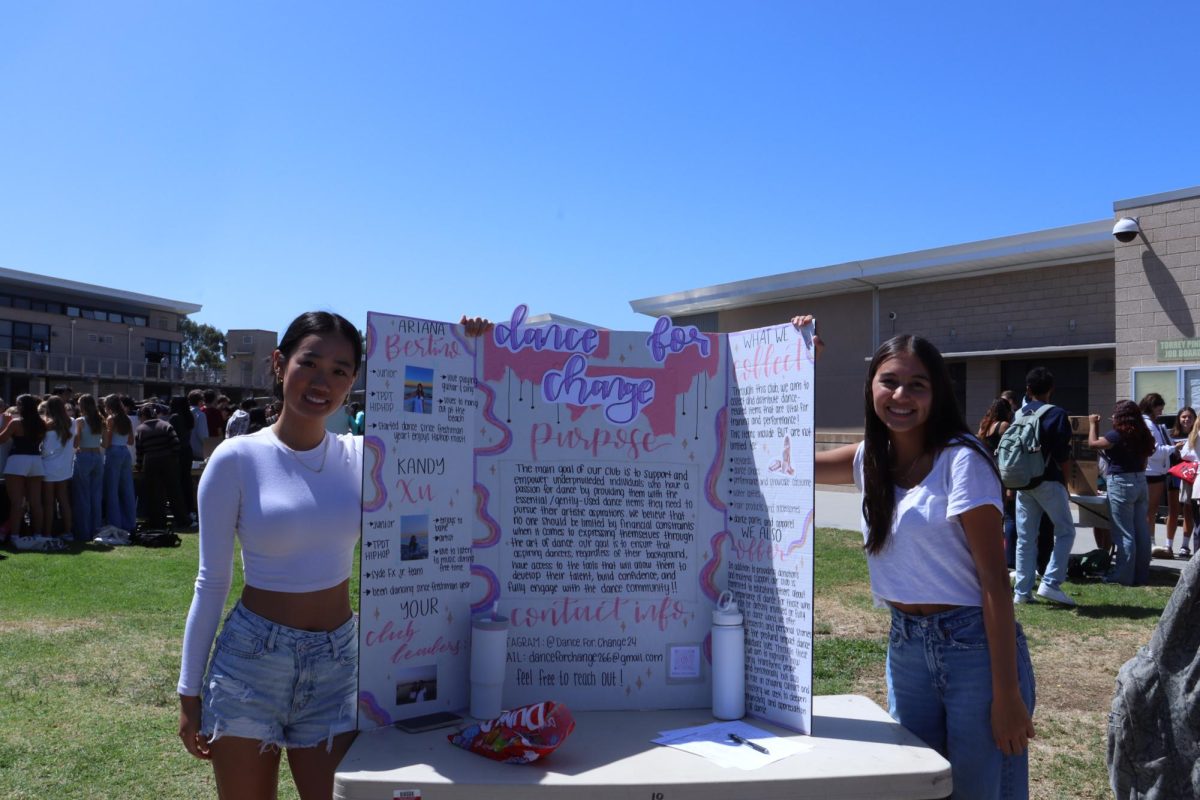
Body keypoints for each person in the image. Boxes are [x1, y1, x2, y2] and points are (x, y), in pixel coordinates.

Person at [804, 320, 1036, 798]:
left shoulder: (962, 461)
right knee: (918, 785)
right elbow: (784, 459)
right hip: (906, 647)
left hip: (973, 648)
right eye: (889, 381)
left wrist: (1008, 695)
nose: (901, 395)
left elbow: (994, 583)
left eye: (917, 384)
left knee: (978, 788)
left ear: (937, 393)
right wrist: (798, 365)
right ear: (871, 387)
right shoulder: (869, 457)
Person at [176, 311, 367, 799]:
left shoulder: (363, 457)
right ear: (280, 364)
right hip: (250, 664)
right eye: (310, 362)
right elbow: (211, 582)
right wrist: (188, 691)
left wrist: (471, 346)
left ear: (353, 382)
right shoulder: (237, 459)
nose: (322, 381)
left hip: (339, 664)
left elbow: (458, 439)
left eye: (340, 370)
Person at [1012, 367, 1078, 607]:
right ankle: (1050, 582)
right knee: (1066, 531)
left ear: (1028, 390)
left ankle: (1021, 591)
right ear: (1051, 389)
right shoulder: (1057, 414)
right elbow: (1063, 454)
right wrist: (1067, 483)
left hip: (1022, 482)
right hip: (1048, 480)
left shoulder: (1018, 413)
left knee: (1026, 538)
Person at [1088, 402, 1156, 586]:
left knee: (1124, 532)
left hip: (1121, 482)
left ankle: (1122, 576)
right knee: (1141, 531)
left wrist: (1093, 424)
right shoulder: (1144, 434)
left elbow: (1093, 444)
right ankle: (1141, 575)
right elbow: (1145, 460)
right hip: (1140, 481)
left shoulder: (1116, 435)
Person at [0, 394, 48, 543]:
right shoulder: (42, 423)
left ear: (21, 406)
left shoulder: (15, 422)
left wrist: (5, 423)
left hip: (17, 461)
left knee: (16, 502)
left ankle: (14, 536)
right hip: (36, 461)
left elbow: (1, 439)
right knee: (36, 502)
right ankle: (38, 535)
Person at [978, 398, 1017, 568]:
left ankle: (990, 555)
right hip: (1000, 473)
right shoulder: (1003, 426)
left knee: (993, 517)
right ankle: (1008, 559)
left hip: (985, 473)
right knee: (1009, 517)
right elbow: (1010, 453)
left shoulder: (984, 426)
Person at [135, 404, 185, 530]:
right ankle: (182, 520)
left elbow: (139, 451)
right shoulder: (166, 425)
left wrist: (139, 465)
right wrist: (173, 459)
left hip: (151, 462)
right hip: (168, 461)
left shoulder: (140, 429)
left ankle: (158, 522)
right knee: (174, 491)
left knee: (155, 494)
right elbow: (176, 444)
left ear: (143, 416)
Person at [1138, 393, 1175, 551]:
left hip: (1150, 471)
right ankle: (1149, 542)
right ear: (1152, 406)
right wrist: (1174, 448)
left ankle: (1148, 541)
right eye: (1159, 408)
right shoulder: (1149, 425)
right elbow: (1154, 451)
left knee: (1148, 511)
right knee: (1150, 511)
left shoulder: (1146, 423)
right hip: (1152, 472)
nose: (1161, 411)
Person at [39, 396, 75, 540]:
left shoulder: (47, 426)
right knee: (64, 501)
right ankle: (68, 532)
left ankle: (47, 533)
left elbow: (45, 449)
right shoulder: (71, 422)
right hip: (65, 467)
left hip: (48, 467)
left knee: (48, 503)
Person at [72, 394, 106, 542]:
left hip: (84, 455)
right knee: (96, 496)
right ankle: (96, 530)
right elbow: (104, 443)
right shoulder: (100, 420)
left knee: (82, 496)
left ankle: (83, 532)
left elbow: (75, 443)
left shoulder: (80, 421)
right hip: (97, 456)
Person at [102, 394, 136, 532]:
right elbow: (131, 441)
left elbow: (107, 442)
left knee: (112, 489)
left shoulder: (111, 419)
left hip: (114, 452)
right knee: (127, 489)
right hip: (125, 452)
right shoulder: (127, 419)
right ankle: (130, 522)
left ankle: (114, 523)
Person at [1166, 406, 1196, 556]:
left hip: (1190, 476)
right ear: (1179, 418)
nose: (1186, 419)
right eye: (1184, 416)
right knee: (1173, 510)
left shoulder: (1196, 435)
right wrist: (1174, 448)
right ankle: (1168, 545)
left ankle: (1185, 546)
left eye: (1190, 417)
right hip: (1175, 475)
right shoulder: (1170, 434)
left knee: (1188, 511)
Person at [168, 395, 199, 528]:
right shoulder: (189, 416)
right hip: (187, 450)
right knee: (186, 481)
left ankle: (181, 512)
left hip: (178, 452)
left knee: (177, 483)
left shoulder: (174, 417)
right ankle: (190, 510)